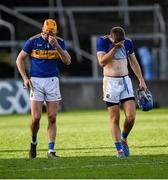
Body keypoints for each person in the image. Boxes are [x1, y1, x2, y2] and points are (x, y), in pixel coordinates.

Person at [16, 19, 71, 159]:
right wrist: (25, 78)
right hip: (36, 81)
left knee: (52, 117)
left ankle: (51, 150)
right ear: (43, 30)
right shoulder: (33, 41)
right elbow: (19, 59)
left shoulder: (59, 41)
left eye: (51, 33)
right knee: (36, 118)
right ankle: (33, 141)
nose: (48, 36)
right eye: (47, 33)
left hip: (52, 81)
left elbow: (67, 61)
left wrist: (57, 46)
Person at [96, 26, 147, 158]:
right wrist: (115, 48)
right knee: (115, 118)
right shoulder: (102, 41)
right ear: (111, 37)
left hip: (125, 81)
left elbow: (133, 62)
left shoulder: (128, 42)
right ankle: (119, 149)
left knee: (131, 117)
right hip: (110, 83)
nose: (121, 43)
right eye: (118, 42)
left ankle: (123, 138)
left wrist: (141, 80)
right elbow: (102, 61)